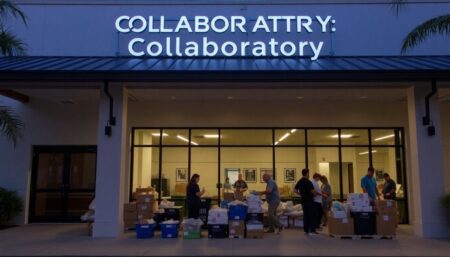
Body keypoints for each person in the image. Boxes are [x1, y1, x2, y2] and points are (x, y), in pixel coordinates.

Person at [295, 168, 318, 235]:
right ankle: (311, 230)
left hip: (303, 200)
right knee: (312, 215)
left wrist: (301, 194)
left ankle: (306, 230)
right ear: (307, 173)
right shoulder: (308, 182)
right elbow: (313, 192)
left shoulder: (300, 181)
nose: (309, 175)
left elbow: (295, 190)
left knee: (305, 215)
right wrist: (316, 193)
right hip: (309, 200)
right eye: (309, 173)